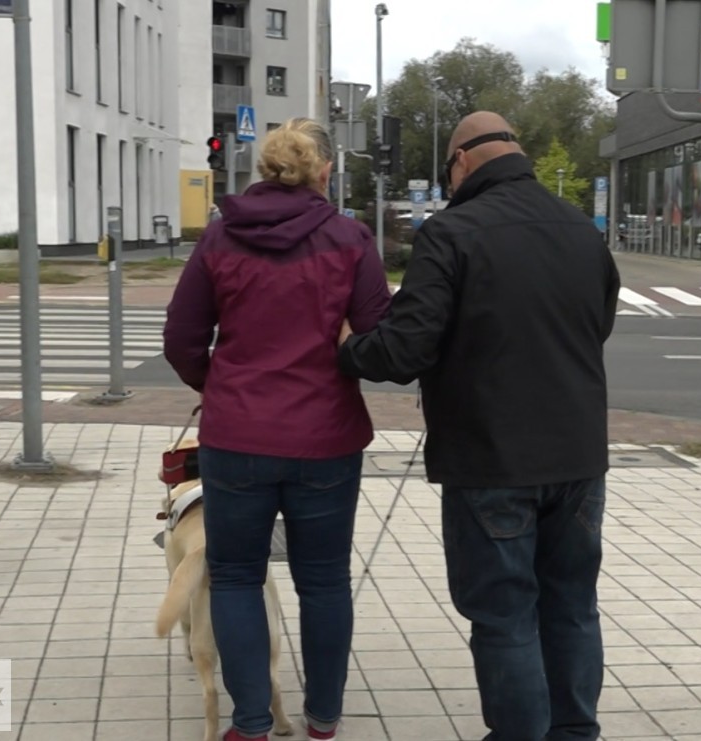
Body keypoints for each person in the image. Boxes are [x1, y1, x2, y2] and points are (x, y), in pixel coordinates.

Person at [337, 111, 620, 741]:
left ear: (462, 159)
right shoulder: (582, 230)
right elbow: (597, 326)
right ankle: (575, 733)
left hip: (491, 458)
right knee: (572, 605)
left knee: (504, 615)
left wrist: (350, 347)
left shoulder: (453, 232)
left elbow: (406, 349)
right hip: (578, 457)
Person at [164, 117, 391, 741]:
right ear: (324, 172)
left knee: (236, 575)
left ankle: (252, 722)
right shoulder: (349, 239)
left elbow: (181, 338)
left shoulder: (218, 240)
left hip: (237, 437)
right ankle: (323, 718)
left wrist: (218, 386)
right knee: (323, 579)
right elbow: (378, 334)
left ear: (265, 168)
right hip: (328, 438)